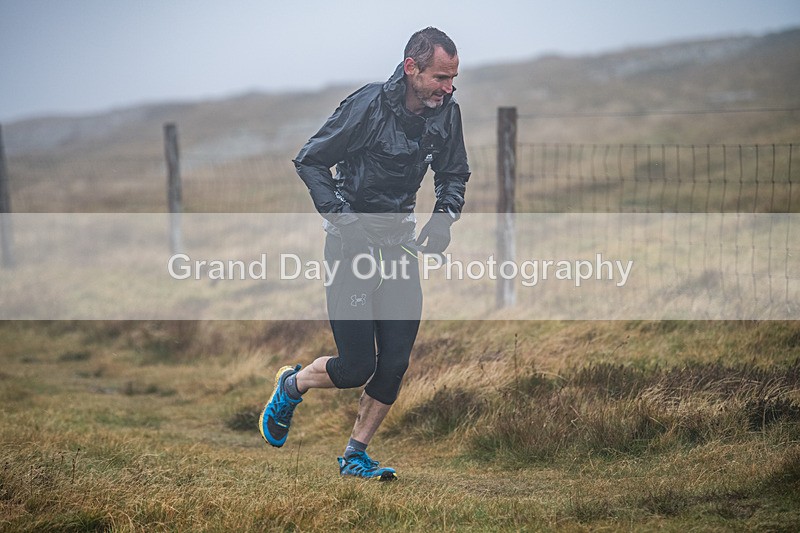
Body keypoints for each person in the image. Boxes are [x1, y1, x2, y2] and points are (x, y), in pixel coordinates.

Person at [259, 27, 470, 480]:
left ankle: (355, 455)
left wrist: (443, 219)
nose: (448, 88)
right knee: (356, 366)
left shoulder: (446, 112)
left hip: (400, 245)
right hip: (349, 244)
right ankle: (292, 384)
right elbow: (310, 160)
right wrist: (346, 222)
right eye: (440, 77)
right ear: (411, 68)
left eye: (453, 78)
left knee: (394, 363)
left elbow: (454, 173)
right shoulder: (368, 105)